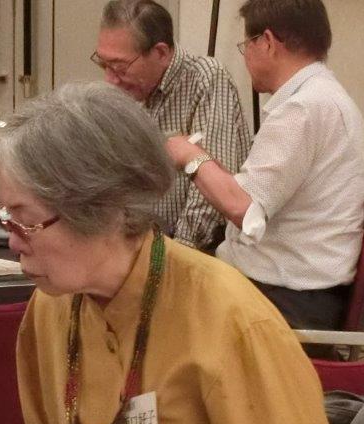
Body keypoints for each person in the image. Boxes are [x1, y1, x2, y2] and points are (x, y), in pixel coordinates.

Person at [0, 82, 342, 424]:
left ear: (103, 210)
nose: (12, 240)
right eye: (5, 216)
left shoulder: (232, 322)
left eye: (26, 220)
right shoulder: (51, 306)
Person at [166, 0, 364, 330]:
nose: (245, 55)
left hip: (287, 297)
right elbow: (254, 193)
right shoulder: (322, 97)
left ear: (268, 42)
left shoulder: (302, 108)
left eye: (246, 45)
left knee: (154, 291)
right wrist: (205, 161)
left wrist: (189, 156)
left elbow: (245, 210)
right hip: (294, 287)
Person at [94, 0, 251, 253]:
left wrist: (172, 258)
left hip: (194, 250)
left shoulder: (206, 79)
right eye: (103, 65)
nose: (110, 80)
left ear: (161, 53)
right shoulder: (126, 91)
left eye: (119, 67)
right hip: (141, 246)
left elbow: (210, 202)